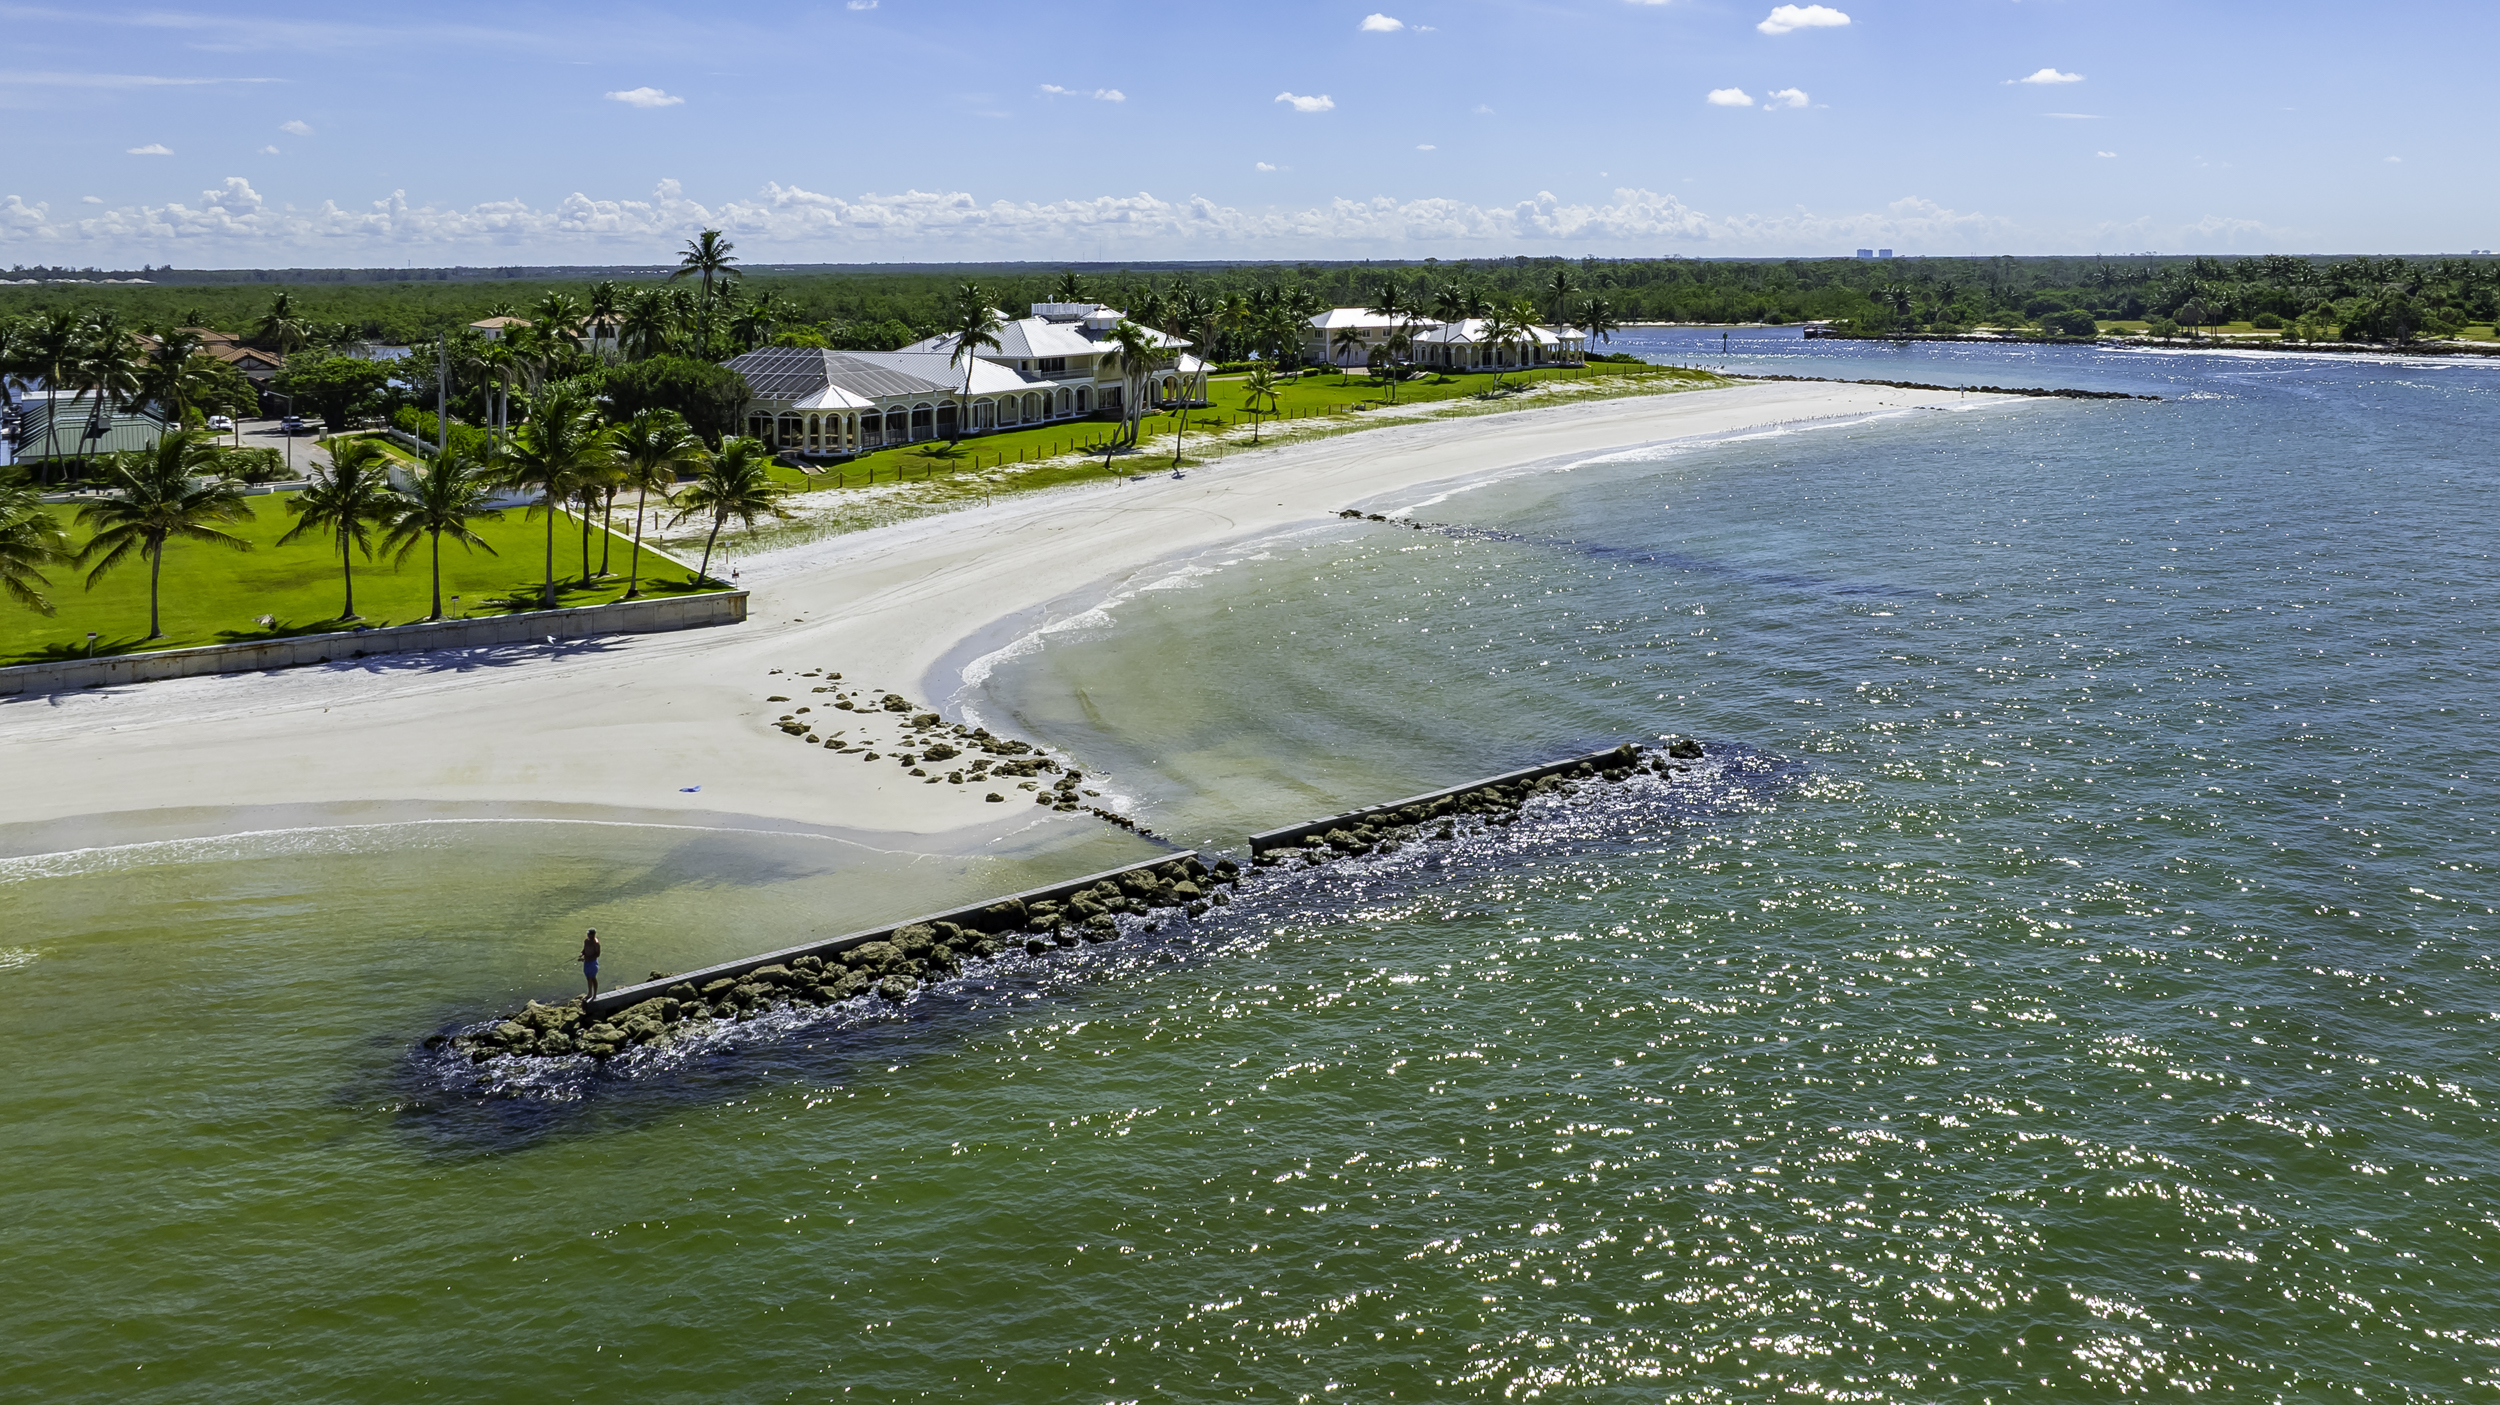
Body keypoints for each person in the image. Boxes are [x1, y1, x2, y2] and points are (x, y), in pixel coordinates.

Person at [579, 928, 601, 1000]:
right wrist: (582, 954)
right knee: (588, 978)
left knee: (593, 978)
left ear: (593, 935)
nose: (587, 935)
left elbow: (597, 954)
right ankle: (589, 993)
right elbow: (584, 950)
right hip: (587, 962)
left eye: (589, 934)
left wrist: (588, 958)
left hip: (592, 962)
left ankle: (594, 995)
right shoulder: (586, 941)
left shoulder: (596, 943)